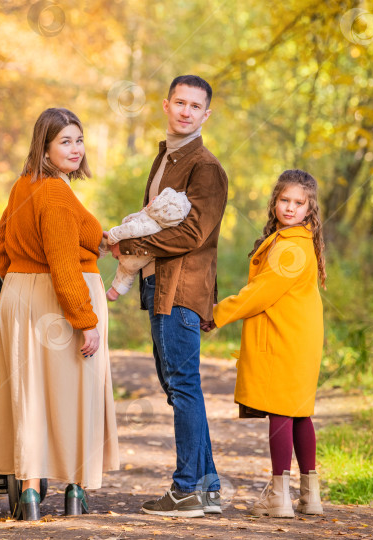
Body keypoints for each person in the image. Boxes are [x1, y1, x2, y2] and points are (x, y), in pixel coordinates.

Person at [0, 108, 119, 521]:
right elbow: (62, 261)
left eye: (79, 140)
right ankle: (74, 490)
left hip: (20, 295)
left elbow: (2, 245)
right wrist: (85, 319)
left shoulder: (23, 187)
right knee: (74, 392)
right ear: (44, 147)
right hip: (58, 301)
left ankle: (29, 494)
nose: (75, 149)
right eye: (65, 142)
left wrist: (21, 284)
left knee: (30, 392)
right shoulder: (55, 193)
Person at [108, 75, 228, 518]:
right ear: (166, 105)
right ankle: (206, 488)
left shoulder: (206, 167)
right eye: (180, 102)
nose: (186, 111)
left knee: (182, 386)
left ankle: (185, 489)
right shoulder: (167, 157)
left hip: (182, 288)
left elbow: (193, 233)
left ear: (206, 115)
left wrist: (131, 247)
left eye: (195, 106)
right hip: (161, 286)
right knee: (179, 386)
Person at [210, 169, 326, 518]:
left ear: (309, 209)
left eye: (298, 203)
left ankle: (279, 495)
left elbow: (258, 295)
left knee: (281, 411)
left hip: (284, 337)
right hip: (300, 335)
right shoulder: (300, 241)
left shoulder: (290, 248)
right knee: (299, 412)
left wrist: (216, 314)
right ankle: (310, 495)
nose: (290, 208)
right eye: (284, 200)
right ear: (275, 202)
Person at [101, 187, 191, 301]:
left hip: (128, 252)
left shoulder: (148, 222)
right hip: (137, 263)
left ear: (157, 208)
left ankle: (102, 247)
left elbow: (129, 229)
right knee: (127, 274)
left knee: (107, 240)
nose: (153, 198)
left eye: (156, 199)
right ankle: (115, 291)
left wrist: (112, 236)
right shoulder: (160, 230)